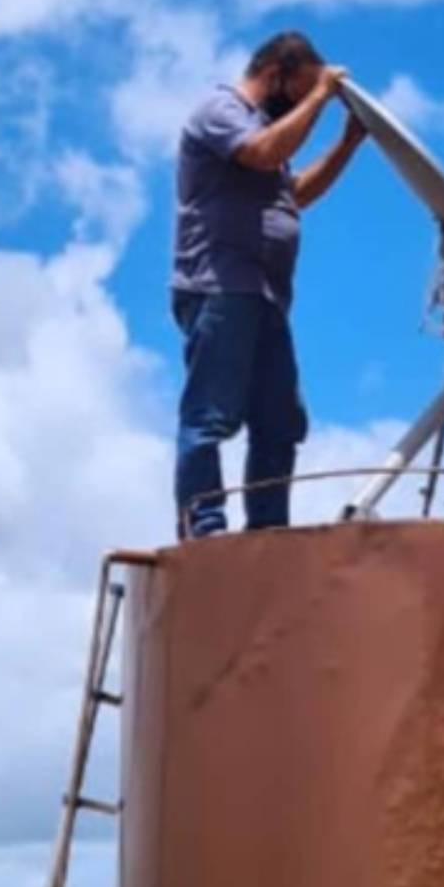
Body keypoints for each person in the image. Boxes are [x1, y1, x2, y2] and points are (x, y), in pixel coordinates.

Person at [171, 30, 367, 538]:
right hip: (222, 287)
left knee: (279, 422)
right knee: (210, 417)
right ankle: (205, 531)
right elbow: (259, 152)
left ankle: (267, 533)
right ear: (276, 74)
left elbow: (293, 194)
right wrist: (321, 95)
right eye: (299, 92)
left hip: (264, 296)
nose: (303, 106)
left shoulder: (268, 134)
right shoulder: (221, 110)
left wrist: (347, 144)